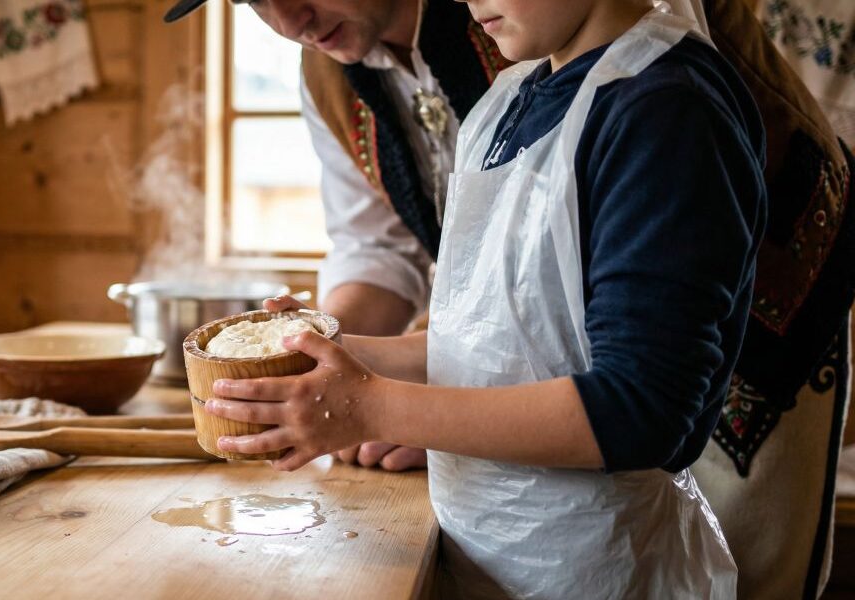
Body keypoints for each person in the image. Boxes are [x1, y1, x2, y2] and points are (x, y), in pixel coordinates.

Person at [163, 0, 855, 597]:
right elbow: (506, 321)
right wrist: (335, 355)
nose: (287, 21)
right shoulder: (518, 86)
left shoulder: (656, 96)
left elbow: (644, 403)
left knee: (752, 560)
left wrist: (377, 403)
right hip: (530, 511)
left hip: (728, 346)